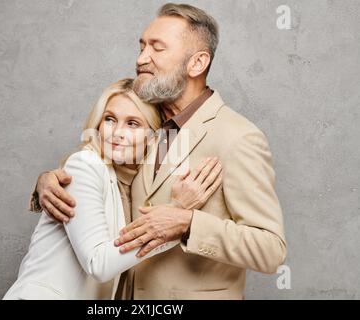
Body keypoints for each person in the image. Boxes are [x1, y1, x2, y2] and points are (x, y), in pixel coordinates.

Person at [30, 3, 287, 300]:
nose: (141, 59)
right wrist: (46, 182)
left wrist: (188, 224)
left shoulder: (239, 137)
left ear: (196, 63)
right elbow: (103, 179)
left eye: (157, 48)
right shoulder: (145, 121)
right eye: (141, 46)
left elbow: (270, 249)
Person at [4, 79, 222, 299]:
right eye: (110, 119)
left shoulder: (130, 184)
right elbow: (98, 263)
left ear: (152, 137)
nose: (117, 132)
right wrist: (176, 212)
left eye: (133, 124)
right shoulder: (85, 165)